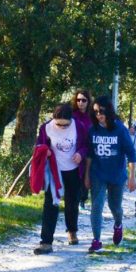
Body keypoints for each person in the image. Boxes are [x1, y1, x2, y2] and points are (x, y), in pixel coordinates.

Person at [32, 104, 89, 255]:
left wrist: (80, 154)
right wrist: (46, 151)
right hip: (54, 171)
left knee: (72, 203)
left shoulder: (79, 126)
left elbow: (86, 145)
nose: (61, 128)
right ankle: (46, 242)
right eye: (58, 125)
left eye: (65, 125)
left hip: (73, 170)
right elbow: (40, 145)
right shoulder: (46, 128)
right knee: (50, 204)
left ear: (71, 120)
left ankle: (72, 231)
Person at [85, 96, 136, 252]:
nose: (99, 115)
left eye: (101, 111)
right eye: (95, 112)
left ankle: (118, 224)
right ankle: (96, 240)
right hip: (98, 174)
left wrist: (132, 176)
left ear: (108, 111)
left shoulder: (120, 130)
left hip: (116, 175)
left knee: (115, 207)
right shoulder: (92, 130)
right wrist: (87, 175)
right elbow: (89, 154)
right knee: (96, 206)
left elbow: (131, 153)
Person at [72, 90, 94, 208]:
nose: (81, 103)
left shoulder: (92, 116)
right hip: (73, 149)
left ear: (88, 101)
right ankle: (73, 198)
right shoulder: (72, 115)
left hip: (87, 149)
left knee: (86, 174)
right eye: (78, 100)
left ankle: (83, 199)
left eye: (83, 100)